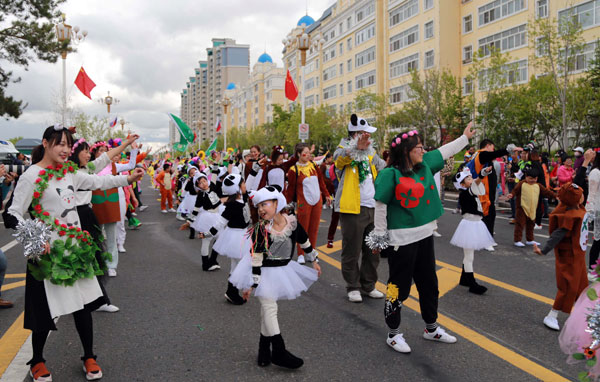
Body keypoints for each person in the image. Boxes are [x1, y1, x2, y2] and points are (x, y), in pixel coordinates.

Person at [8, 125, 144, 382]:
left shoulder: (69, 173)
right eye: (60, 144)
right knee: (43, 312)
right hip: (46, 253)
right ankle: (37, 361)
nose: (65, 149)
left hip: (76, 251)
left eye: (68, 145)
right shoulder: (31, 176)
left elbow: (99, 181)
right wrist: (36, 239)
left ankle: (89, 356)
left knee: (82, 307)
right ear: (46, 143)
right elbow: (12, 214)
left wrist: (128, 179)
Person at [366, 122, 476, 354]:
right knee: (398, 287)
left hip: (425, 236)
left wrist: (464, 137)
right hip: (401, 241)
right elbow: (381, 206)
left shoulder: (424, 165)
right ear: (407, 151)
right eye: (419, 147)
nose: (423, 150)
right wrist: (379, 236)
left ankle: (431, 328)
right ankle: (393, 333)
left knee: (429, 284)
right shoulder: (390, 174)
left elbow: (444, 151)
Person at [229, 186, 321, 369]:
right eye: (259, 206)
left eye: (265, 204)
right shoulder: (260, 229)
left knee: (268, 311)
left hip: (282, 270)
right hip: (262, 272)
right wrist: (252, 284)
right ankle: (279, 351)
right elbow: (256, 258)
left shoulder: (292, 223)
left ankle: (264, 352)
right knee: (270, 308)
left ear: (277, 203)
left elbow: (304, 240)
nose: (261, 209)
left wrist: (314, 259)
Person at [333, 114, 386, 303]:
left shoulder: (371, 152)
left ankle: (368, 285)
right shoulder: (342, 150)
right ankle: (352, 286)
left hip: (374, 208)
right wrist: (356, 148)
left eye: (368, 134)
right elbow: (339, 161)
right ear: (355, 134)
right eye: (364, 134)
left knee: (373, 251)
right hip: (353, 209)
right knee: (352, 250)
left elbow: (384, 168)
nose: (368, 137)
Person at [533, 182, 589, 331]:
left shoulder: (579, 209)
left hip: (578, 256)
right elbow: (557, 235)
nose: (583, 195)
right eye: (580, 195)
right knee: (568, 286)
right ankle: (552, 314)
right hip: (569, 256)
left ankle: (583, 316)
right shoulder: (568, 215)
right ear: (573, 199)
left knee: (582, 286)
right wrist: (543, 250)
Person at [201, 173, 251, 305]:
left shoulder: (244, 197)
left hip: (244, 235)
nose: (246, 185)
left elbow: (252, 180)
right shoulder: (232, 205)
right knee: (239, 265)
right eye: (243, 183)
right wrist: (207, 234)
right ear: (238, 188)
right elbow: (220, 223)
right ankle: (232, 291)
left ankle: (232, 291)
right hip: (236, 237)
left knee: (237, 265)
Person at [450, 167, 495, 295]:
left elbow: (477, 185)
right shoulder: (467, 192)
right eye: (468, 178)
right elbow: (477, 183)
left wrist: (481, 175)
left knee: (469, 256)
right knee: (469, 257)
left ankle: (464, 279)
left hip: (475, 224)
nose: (471, 179)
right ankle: (472, 283)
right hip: (470, 225)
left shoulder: (469, 192)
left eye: (470, 177)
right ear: (462, 184)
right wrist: (482, 173)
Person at [285, 143, 331, 264]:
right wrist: (287, 204)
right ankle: (300, 253)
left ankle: (311, 253)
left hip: (317, 201)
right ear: (299, 154)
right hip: (303, 203)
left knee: (314, 229)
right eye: (305, 153)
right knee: (303, 229)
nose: (308, 155)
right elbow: (290, 190)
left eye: (309, 153)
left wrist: (327, 194)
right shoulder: (293, 170)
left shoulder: (314, 166)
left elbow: (321, 182)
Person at [471, 139, 518, 251]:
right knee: (487, 216)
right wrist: (506, 150)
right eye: (492, 147)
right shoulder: (481, 155)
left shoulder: (484, 157)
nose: (493, 150)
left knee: (490, 215)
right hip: (483, 193)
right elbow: (493, 154)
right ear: (487, 146)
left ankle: (488, 238)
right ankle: (485, 241)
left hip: (488, 192)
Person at [507, 166, 556, 247]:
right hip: (522, 207)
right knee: (520, 224)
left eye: (534, 179)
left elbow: (547, 192)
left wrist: (555, 196)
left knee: (531, 225)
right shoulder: (522, 184)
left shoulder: (538, 185)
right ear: (526, 177)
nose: (532, 180)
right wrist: (511, 194)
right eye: (530, 178)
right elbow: (515, 190)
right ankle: (517, 240)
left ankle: (530, 239)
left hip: (533, 208)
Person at [320, 153, 339, 248]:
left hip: (348, 195)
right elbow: (322, 177)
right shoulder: (327, 166)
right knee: (335, 217)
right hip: (335, 192)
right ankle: (330, 239)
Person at [586, 150, 600, 280]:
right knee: (598, 241)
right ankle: (591, 269)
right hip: (598, 210)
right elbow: (592, 194)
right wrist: (589, 212)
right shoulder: (595, 172)